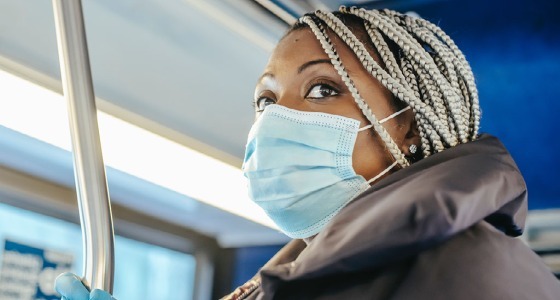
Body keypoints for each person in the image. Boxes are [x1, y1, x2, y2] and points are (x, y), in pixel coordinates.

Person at [56, 6, 560, 300]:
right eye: (265, 100)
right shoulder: (325, 269)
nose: (276, 118)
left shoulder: (463, 266)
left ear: (405, 126)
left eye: (321, 90)